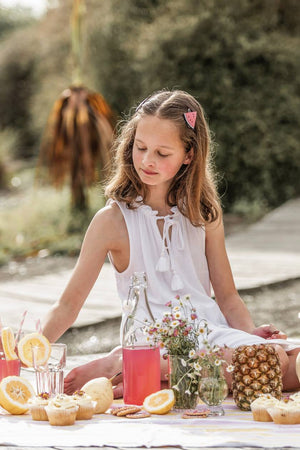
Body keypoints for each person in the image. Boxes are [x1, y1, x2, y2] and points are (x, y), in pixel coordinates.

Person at [42, 89, 300, 397]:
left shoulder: (205, 214)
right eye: (141, 148)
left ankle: (147, 375)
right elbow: (68, 305)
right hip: (150, 339)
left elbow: (228, 297)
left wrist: (246, 337)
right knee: (270, 364)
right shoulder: (111, 221)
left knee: (288, 363)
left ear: (188, 155)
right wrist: (27, 349)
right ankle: (134, 364)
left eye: (162, 154)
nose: (147, 161)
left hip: (209, 334)